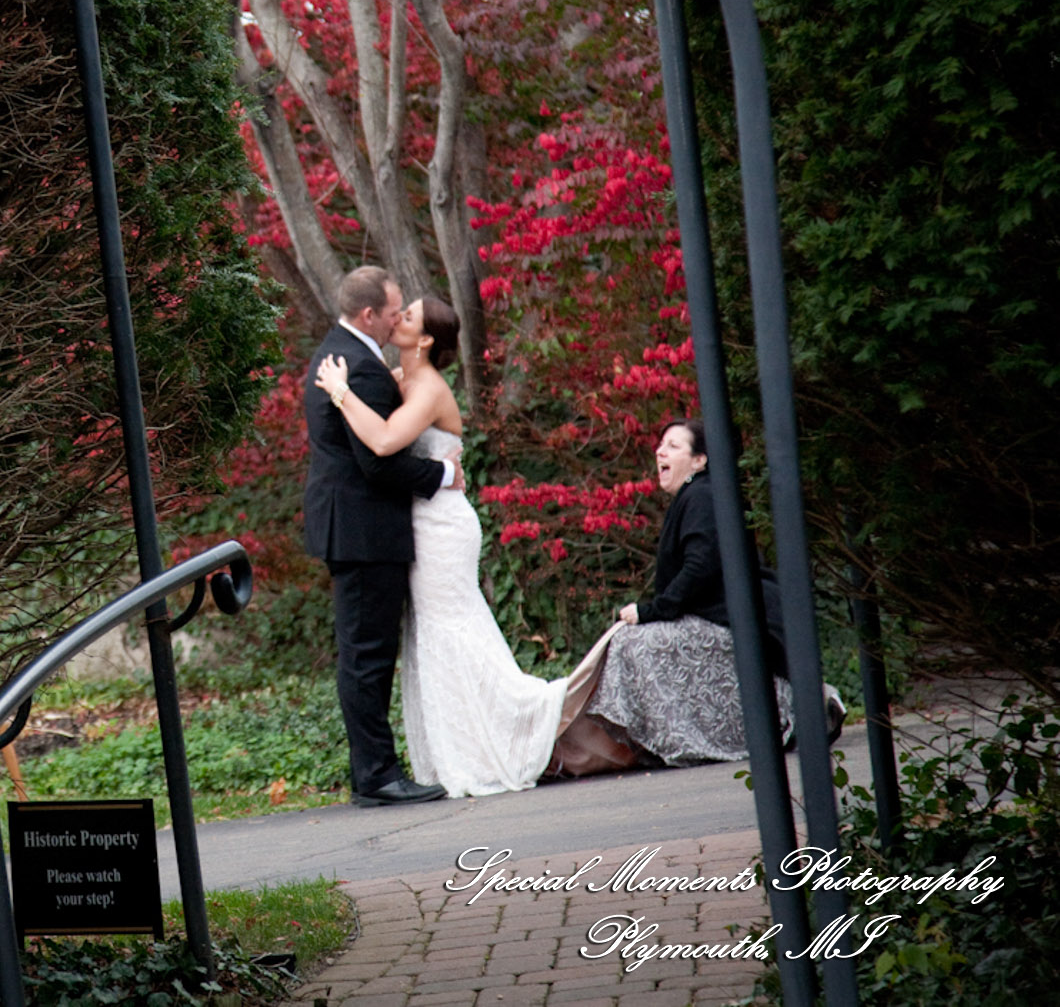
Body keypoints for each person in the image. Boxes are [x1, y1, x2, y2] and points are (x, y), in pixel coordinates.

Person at [315, 292, 573, 797]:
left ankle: (523, 719)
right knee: (431, 636)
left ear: (426, 337)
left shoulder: (428, 386)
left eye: (407, 315)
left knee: (450, 627)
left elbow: (387, 442)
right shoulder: (403, 380)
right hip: (419, 519)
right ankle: (453, 750)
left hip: (442, 525)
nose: (397, 318)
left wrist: (342, 393)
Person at [552, 418, 839, 776]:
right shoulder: (698, 494)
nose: (660, 451)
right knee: (631, 640)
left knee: (634, 644)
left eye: (673, 446)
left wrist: (652, 610)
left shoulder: (702, 494)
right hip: (730, 619)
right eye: (660, 445)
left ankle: (687, 738)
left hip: (747, 625)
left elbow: (700, 566)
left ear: (700, 460)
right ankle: (648, 741)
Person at [303, 267, 461, 807]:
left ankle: (373, 772)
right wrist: (443, 476)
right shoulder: (360, 370)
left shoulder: (342, 356)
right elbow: (379, 464)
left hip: (351, 527)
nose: (398, 318)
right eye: (394, 310)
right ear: (369, 314)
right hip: (366, 531)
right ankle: (376, 776)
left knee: (362, 654)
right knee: (367, 657)